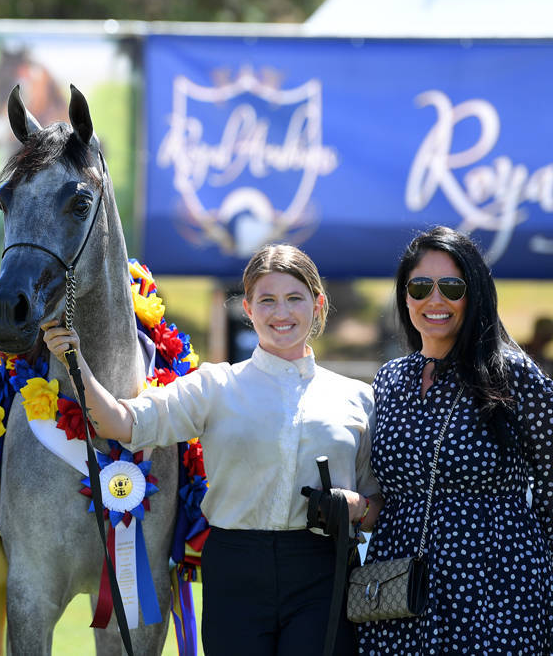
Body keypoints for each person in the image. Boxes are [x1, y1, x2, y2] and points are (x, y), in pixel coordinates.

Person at [43, 243, 383, 655]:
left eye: (295, 298)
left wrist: (357, 508)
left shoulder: (358, 398)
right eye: (267, 301)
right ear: (248, 309)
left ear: (318, 303)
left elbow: (376, 510)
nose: (281, 312)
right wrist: (75, 361)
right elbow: (120, 422)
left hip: (323, 572)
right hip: (235, 570)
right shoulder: (214, 386)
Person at [357, 226, 553, 654]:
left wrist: (540, 567)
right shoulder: (390, 380)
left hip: (497, 587)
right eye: (421, 286)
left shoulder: (513, 374)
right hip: (398, 587)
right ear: (405, 296)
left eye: (451, 286)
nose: (435, 300)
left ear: (475, 293)